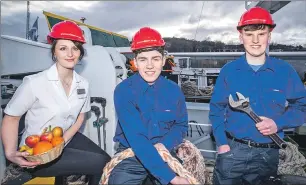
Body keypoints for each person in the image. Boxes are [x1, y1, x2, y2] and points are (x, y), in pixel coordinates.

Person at [1, 20, 110, 185]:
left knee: (107, 160)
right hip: (37, 151)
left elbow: (81, 116)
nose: (70, 54)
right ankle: (25, 172)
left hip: (64, 139)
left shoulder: (83, 84)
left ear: (80, 53)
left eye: (75, 48)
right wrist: (10, 153)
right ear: (54, 52)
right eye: (63, 48)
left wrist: (63, 141)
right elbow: (11, 117)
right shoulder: (34, 82)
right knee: (100, 163)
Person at [209, 7, 306, 185]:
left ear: (270, 36)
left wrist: (278, 123)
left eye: (261, 34)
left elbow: (302, 107)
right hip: (232, 150)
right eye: (249, 34)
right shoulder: (228, 71)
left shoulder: (285, 72)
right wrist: (222, 144)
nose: (255, 40)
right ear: (241, 36)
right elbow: (216, 110)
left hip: (268, 154)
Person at [109, 27, 190, 185]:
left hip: (166, 152)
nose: (150, 65)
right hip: (132, 155)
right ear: (135, 62)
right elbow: (137, 139)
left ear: (164, 59)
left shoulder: (174, 91)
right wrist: (171, 178)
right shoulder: (124, 91)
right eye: (143, 59)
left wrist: (164, 144)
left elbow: (180, 125)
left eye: (155, 59)